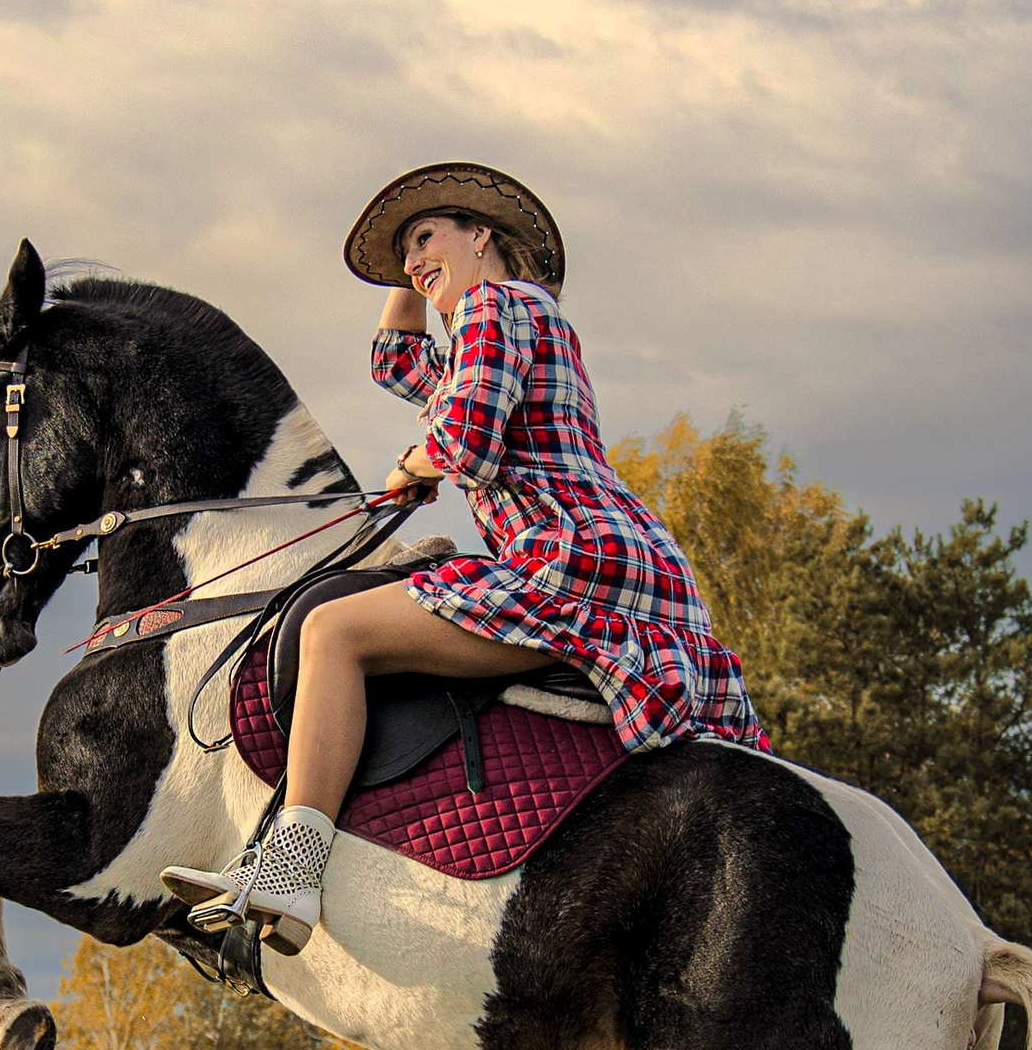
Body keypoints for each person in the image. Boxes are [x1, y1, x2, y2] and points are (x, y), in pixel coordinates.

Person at [162, 161, 769, 954]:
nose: (413, 262)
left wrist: (412, 468)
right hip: (621, 561)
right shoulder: (506, 321)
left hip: (570, 554)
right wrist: (401, 263)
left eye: (428, 238)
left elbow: (466, 440)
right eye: (405, 255)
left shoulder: (497, 304)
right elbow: (393, 362)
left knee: (333, 633)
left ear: (482, 235)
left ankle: (290, 870)